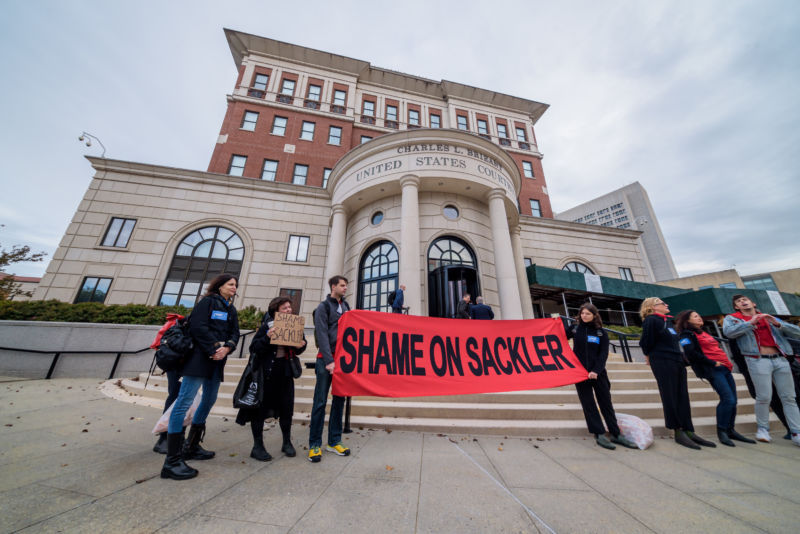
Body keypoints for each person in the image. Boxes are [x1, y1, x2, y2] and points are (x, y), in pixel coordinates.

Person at [160, 274, 240, 480]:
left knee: (210, 398)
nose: (234, 287)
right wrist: (214, 347)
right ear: (220, 286)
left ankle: (192, 445)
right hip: (199, 358)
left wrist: (227, 348)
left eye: (235, 285)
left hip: (218, 360)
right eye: (230, 284)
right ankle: (172, 461)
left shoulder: (230, 309)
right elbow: (198, 327)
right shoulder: (207, 302)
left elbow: (235, 333)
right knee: (184, 401)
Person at [723, 294, 800, 446]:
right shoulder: (733, 318)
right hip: (757, 360)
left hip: (780, 359)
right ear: (736, 307)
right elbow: (729, 333)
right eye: (738, 301)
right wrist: (750, 323)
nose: (743, 302)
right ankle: (763, 428)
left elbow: (796, 332)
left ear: (753, 302)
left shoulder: (768, 318)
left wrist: (779, 325)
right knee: (764, 396)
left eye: (745, 299)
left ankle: (796, 431)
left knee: (789, 397)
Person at [638, 297, 714, 450]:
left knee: (682, 395)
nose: (666, 305)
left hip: (676, 360)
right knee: (670, 394)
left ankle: (688, 429)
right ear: (652, 307)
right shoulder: (651, 320)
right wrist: (650, 357)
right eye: (662, 303)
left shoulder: (667, 322)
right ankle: (677, 430)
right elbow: (645, 342)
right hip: (662, 361)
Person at [236, 296, 307, 460]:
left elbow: (299, 348)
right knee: (259, 410)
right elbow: (254, 347)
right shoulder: (266, 326)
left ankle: (287, 442)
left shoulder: (295, 326)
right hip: (266, 374)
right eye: (284, 308)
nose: (288, 310)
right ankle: (258, 446)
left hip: (285, 373)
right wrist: (268, 337)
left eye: (289, 307)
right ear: (276, 311)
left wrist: (301, 346)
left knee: (287, 409)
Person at [676, 310, 754, 447]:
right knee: (727, 399)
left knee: (733, 400)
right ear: (687, 321)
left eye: (699, 315)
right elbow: (690, 353)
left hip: (725, 368)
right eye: (695, 316)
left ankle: (730, 430)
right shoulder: (686, 334)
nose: (699, 317)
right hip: (713, 369)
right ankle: (722, 431)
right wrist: (712, 363)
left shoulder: (703, 332)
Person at [564, 303, 637, 450]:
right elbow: (558, 338)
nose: (584, 316)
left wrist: (596, 371)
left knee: (606, 403)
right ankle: (599, 433)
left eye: (588, 314)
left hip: (598, 373)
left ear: (594, 315)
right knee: (588, 404)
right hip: (580, 374)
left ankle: (616, 434)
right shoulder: (574, 328)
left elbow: (603, 354)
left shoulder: (600, 333)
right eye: (582, 313)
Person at [308, 275, 351, 463]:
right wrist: (328, 360)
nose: (345, 288)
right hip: (326, 361)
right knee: (320, 402)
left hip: (343, 362)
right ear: (333, 286)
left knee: (339, 402)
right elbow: (323, 335)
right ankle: (314, 444)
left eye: (346, 285)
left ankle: (334, 441)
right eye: (342, 285)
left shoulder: (347, 307)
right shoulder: (323, 307)